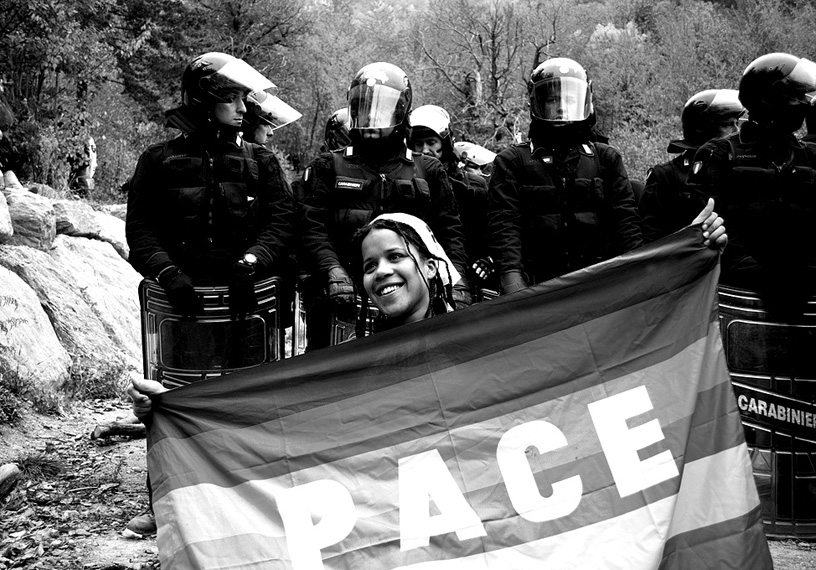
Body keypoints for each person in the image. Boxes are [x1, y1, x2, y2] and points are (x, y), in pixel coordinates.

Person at [124, 51, 296, 536]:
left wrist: (253, 263)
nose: (244, 107)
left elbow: (283, 222)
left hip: (246, 304)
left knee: (248, 401)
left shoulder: (261, 161)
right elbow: (140, 229)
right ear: (205, 100)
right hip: (182, 305)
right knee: (178, 400)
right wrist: (167, 273)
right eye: (233, 97)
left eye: (245, 98)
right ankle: (169, 503)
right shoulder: (156, 160)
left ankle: (253, 505)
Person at [298, 62, 470, 349]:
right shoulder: (327, 166)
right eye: (364, 107)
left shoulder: (427, 169)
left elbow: (451, 233)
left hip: (413, 303)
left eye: (382, 107)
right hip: (340, 302)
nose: (372, 117)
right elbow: (310, 229)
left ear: (401, 110)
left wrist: (458, 281)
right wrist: (332, 270)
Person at [486, 57, 643, 294]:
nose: (561, 107)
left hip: (600, 285)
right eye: (552, 99)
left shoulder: (606, 159)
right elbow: (505, 230)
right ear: (537, 103)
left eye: (570, 99)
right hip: (538, 289)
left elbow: (627, 225)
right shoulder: (511, 162)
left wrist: (640, 275)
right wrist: (514, 286)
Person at [687, 52, 816, 316]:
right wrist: (761, 278)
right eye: (795, 96)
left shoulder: (809, 156)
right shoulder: (719, 154)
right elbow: (711, 227)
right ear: (770, 100)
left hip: (807, 296)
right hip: (740, 300)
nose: (803, 103)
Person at [407, 105, 494, 293]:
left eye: (432, 142)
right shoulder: (403, 183)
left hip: (466, 278)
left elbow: (491, 229)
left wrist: (488, 259)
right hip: (417, 277)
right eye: (419, 144)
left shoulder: (472, 185)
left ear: (444, 143)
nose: (426, 150)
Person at [640, 89, 745, 243]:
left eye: (737, 123)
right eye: (728, 124)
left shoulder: (740, 169)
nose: (736, 131)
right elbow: (650, 238)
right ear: (702, 128)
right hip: (689, 260)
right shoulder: (666, 176)